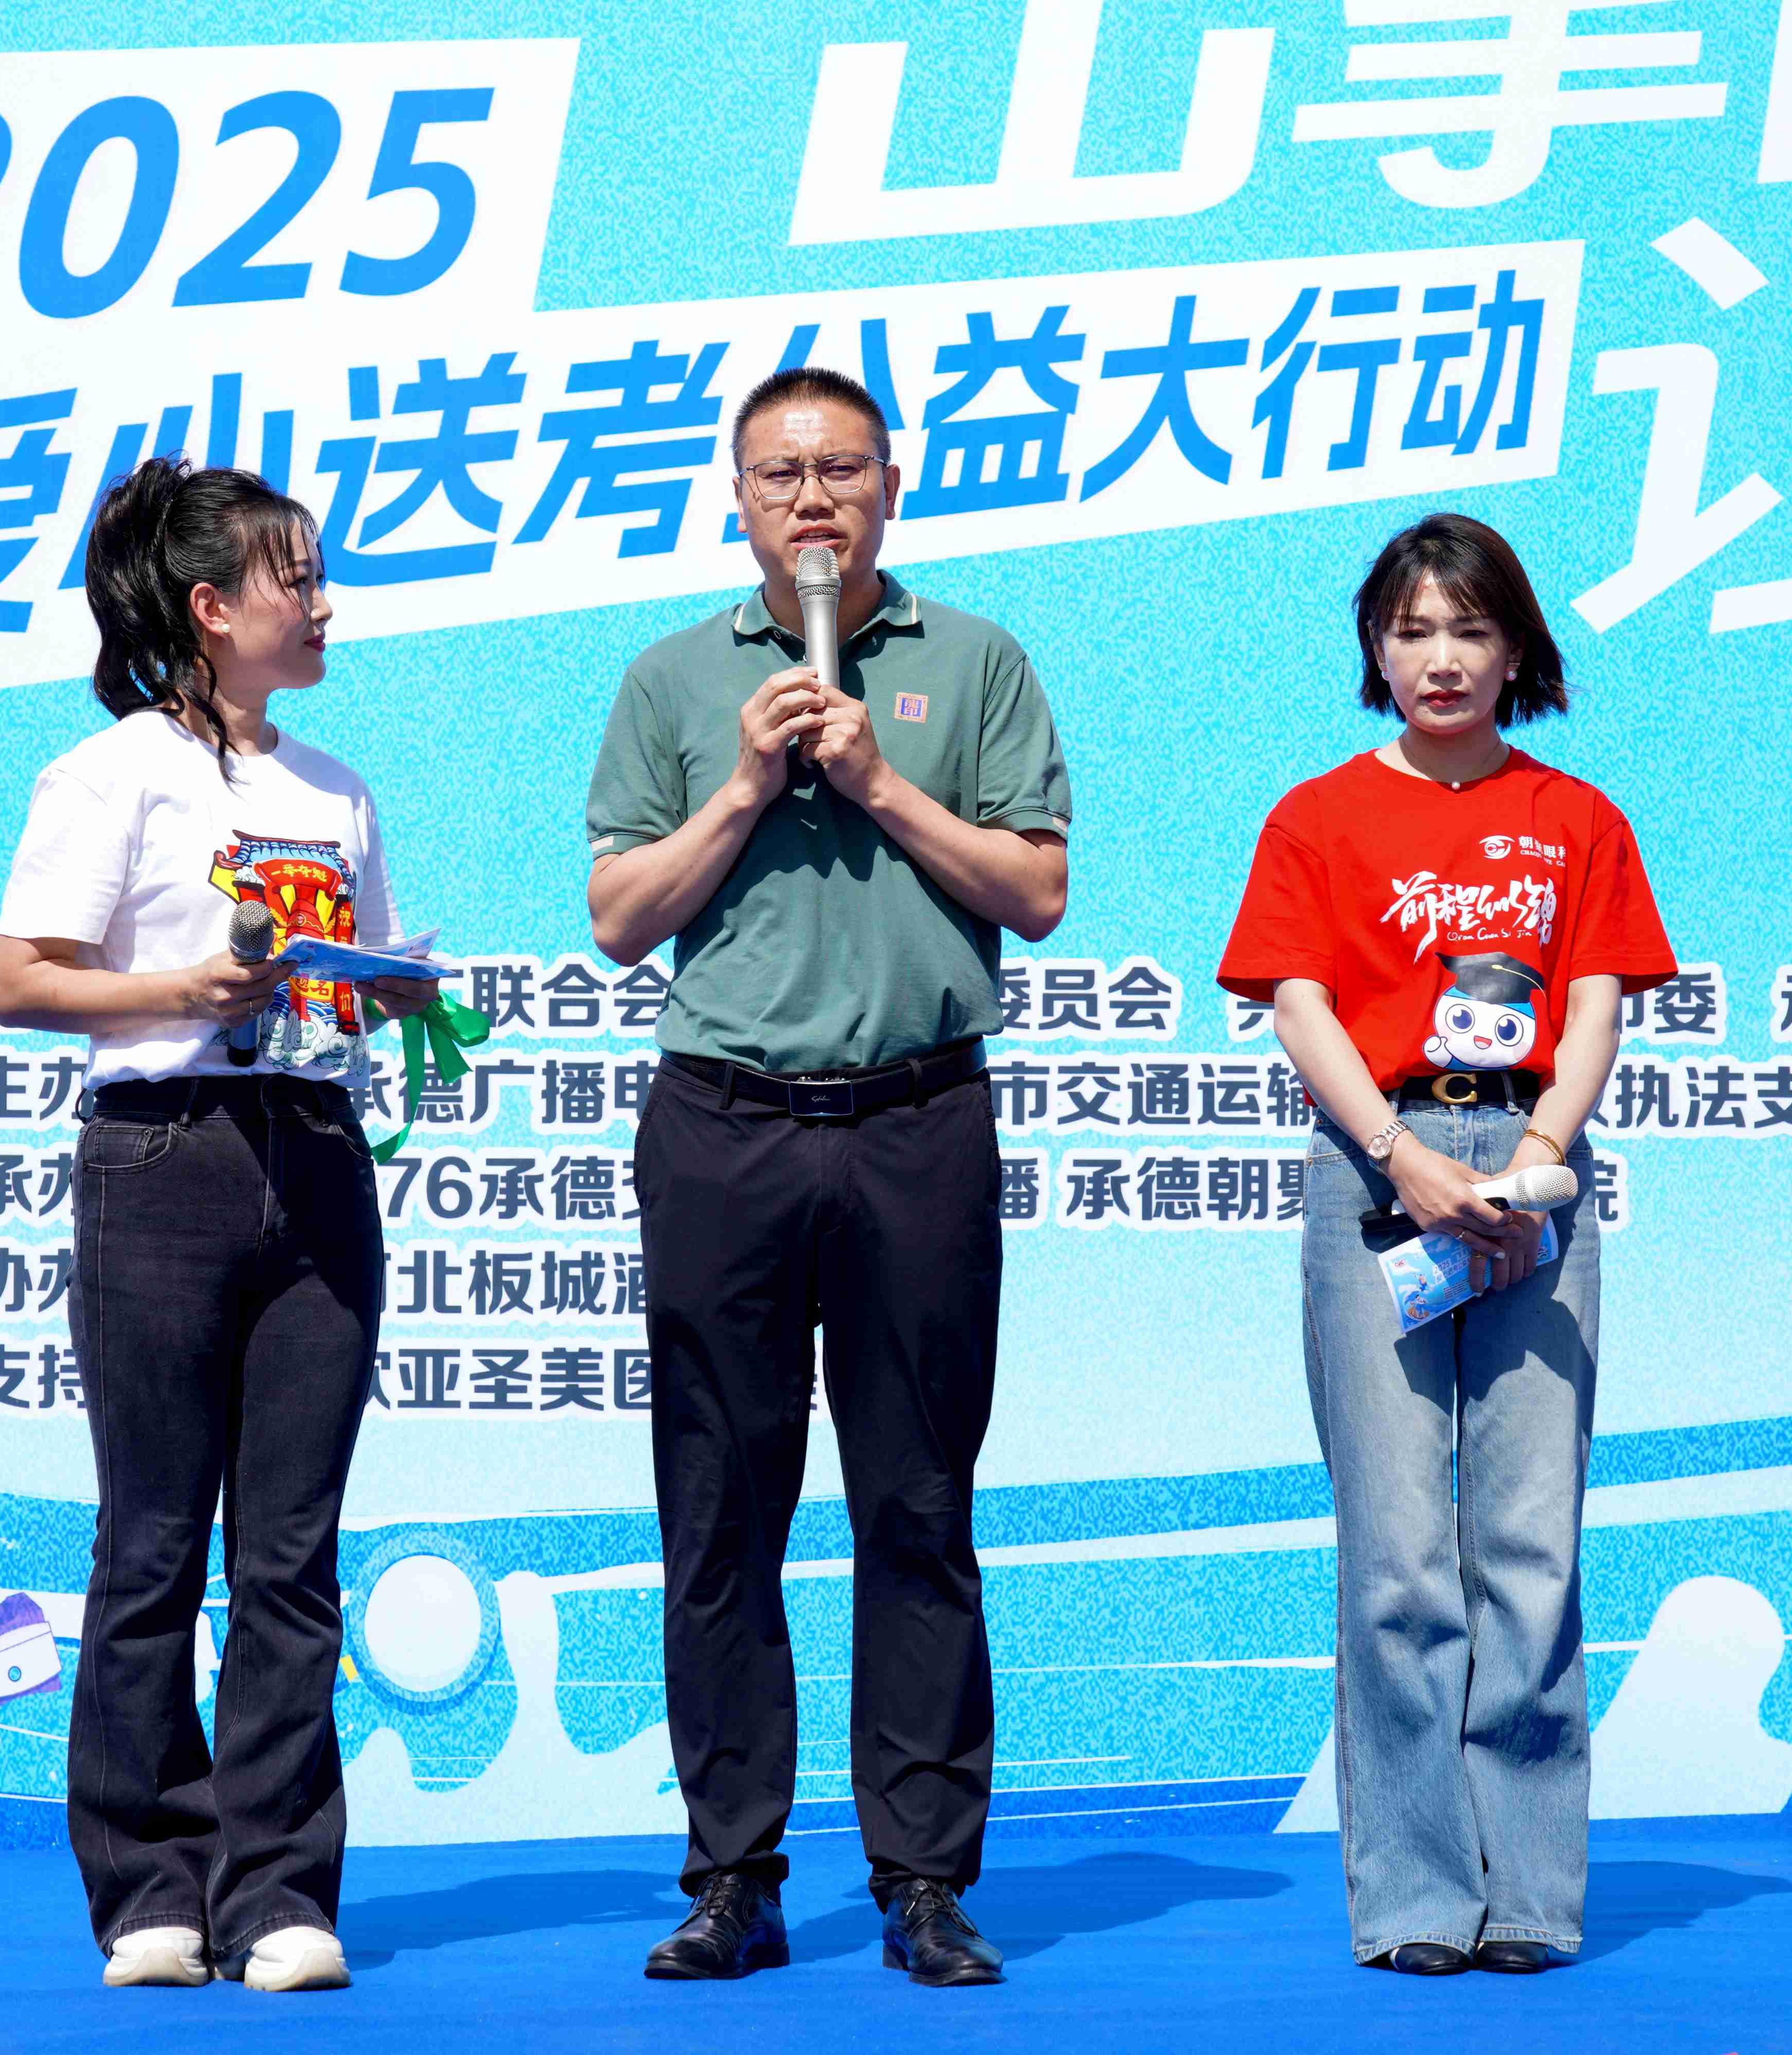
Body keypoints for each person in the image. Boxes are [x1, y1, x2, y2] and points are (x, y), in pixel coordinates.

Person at [586, 365, 1072, 1988]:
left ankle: (923, 1878)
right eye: (781, 474)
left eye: (842, 471)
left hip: (916, 1122)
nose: (813, 501)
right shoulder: (673, 679)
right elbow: (620, 920)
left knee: (917, 1506)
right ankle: (732, 1875)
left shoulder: (974, 662)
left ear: (890, 489)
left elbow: (1035, 892)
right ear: (738, 498)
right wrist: (745, 785)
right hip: (724, 1126)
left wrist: (877, 782)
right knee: (720, 1509)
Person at [0, 458, 437, 1995]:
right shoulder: (109, 775)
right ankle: (149, 1890)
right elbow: (25, 979)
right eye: (295, 580)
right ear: (209, 609)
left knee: (292, 1554)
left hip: (315, 1155)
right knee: (154, 1545)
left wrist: (391, 990)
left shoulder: (337, 790)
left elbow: (359, 964)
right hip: (163, 1159)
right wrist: (186, 990)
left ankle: (281, 1894)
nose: (323, 606)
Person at [1215, 513, 1675, 1977]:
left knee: (1530, 1545)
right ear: (1376, 647)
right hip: (1379, 1163)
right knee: (1400, 1555)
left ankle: (1529, 1892)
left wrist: (1541, 1155)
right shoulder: (1319, 816)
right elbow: (1297, 1004)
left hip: (1535, 1166)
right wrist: (1399, 1157)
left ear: (1517, 648)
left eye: (1470, 629)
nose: (1442, 658)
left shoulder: (1577, 817)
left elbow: (1594, 1001)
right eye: (1413, 630)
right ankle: (1417, 1898)